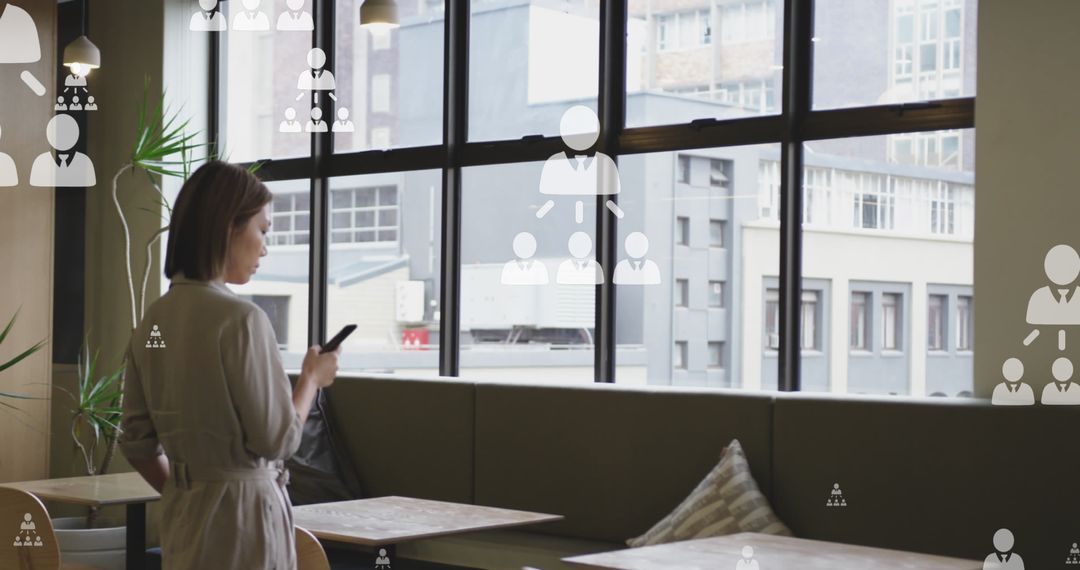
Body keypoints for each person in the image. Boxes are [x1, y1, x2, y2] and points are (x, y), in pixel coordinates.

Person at [119, 161, 341, 570]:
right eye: (263, 230)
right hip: (245, 522)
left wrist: (190, 490)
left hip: (185, 520)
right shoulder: (242, 320)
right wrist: (312, 378)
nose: (265, 247)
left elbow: (136, 442)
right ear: (227, 228)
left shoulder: (152, 321)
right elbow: (278, 440)